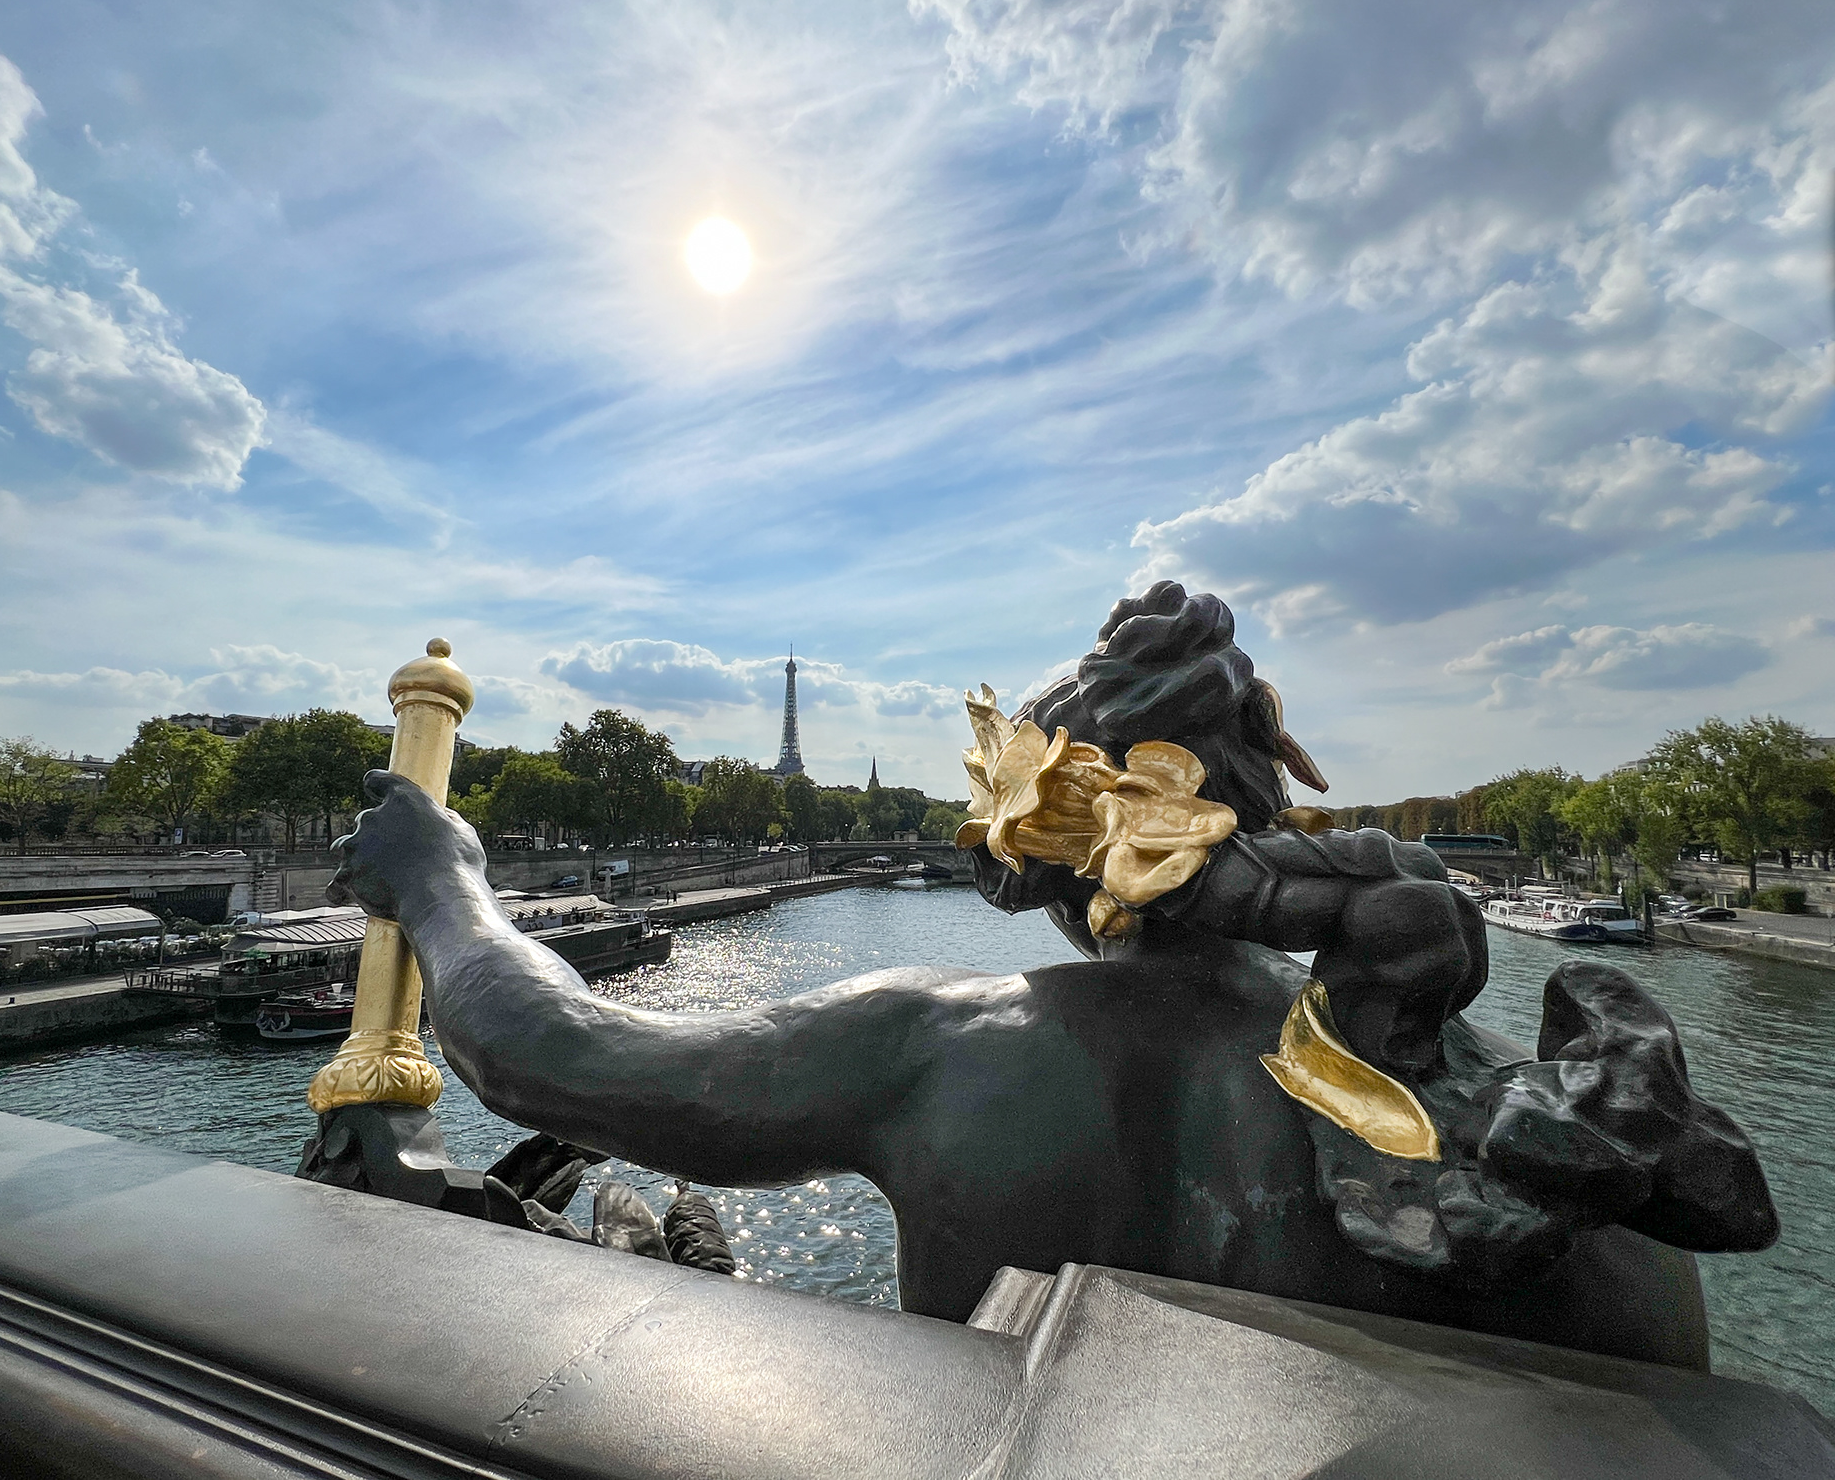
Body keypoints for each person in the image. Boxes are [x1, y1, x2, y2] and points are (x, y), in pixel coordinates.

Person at [327, 583, 1775, 1368]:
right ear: (1261, 808)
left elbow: (553, 1056)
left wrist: (443, 878)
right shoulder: (1528, 1114)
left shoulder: (943, 1041)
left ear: (1038, 842)